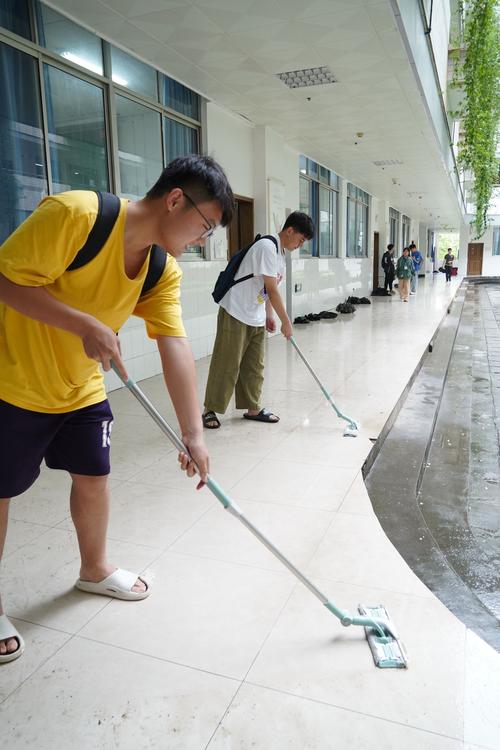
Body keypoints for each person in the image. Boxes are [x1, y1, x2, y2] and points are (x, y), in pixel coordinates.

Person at [0, 155, 234, 663]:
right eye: (205, 225)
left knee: (94, 476)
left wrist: (193, 432)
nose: (203, 239)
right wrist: (82, 323)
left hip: (81, 389)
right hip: (12, 381)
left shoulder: (159, 268)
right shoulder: (76, 216)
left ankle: (94, 569)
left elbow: (173, 342)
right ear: (175, 199)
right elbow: (6, 280)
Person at [202, 212, 315, 429]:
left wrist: (269, 315)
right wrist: (286, 321)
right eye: (300, 240)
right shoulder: (266, 247)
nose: (300, 245)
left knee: (255, 365)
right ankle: (210, 409)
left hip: (254, 313)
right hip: (235, 309)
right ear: (290, 230)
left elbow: (266, 289)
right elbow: (272, 289)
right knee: (227, 363)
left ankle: (252, 408)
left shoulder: (280, 255)